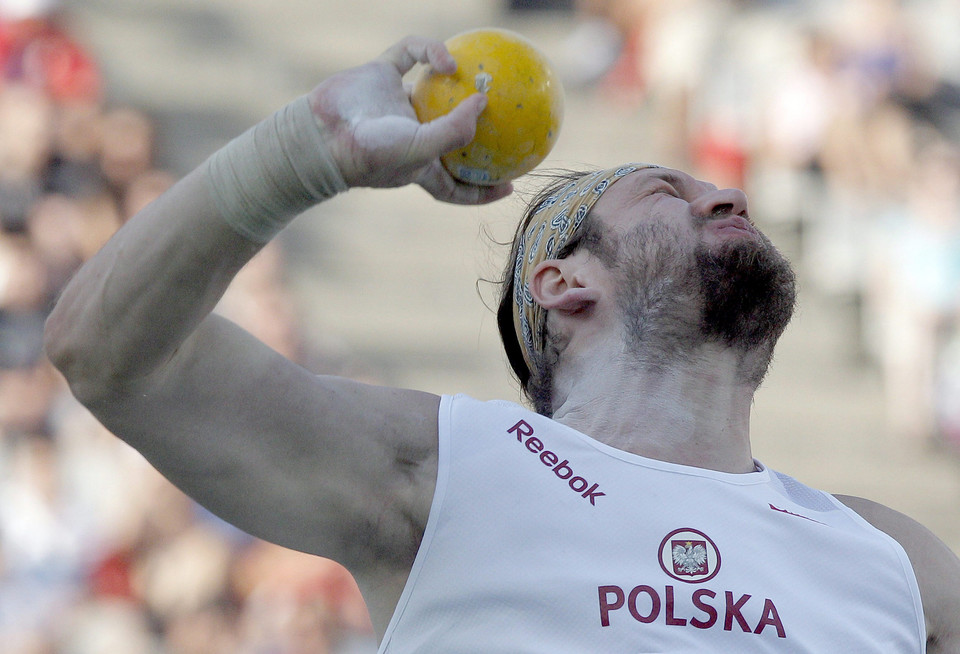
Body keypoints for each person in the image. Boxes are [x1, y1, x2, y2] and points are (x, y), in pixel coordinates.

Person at [43, 35, 959, 652]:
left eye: (721, 192)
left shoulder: (897, 560)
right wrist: (303, 151)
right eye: (664, 194)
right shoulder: (446, 470)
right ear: (564, 282)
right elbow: (109, 351)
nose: (728, 197)